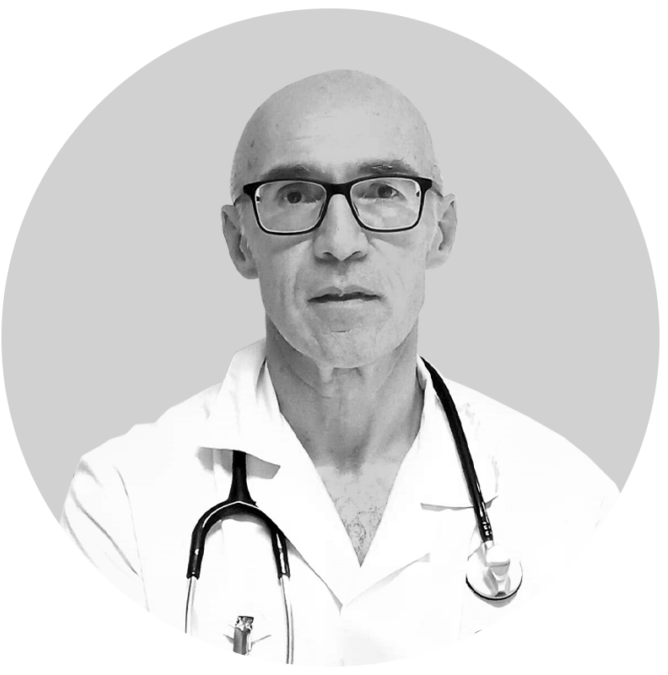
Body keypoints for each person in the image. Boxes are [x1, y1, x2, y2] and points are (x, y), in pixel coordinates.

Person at [59, 70, 620, 665]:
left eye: (383, 191)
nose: (340, 242)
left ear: (441, 231)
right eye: (295, 196)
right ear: (239, 240)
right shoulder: (122, 500)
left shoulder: (568, 501)